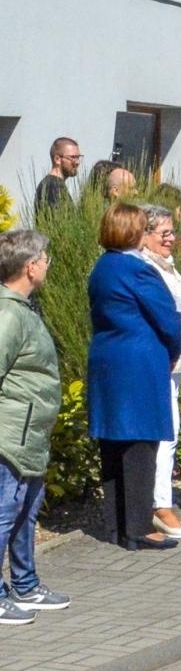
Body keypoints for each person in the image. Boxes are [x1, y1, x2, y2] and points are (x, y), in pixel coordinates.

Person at [87, 204, 181, 547]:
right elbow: (169, 319)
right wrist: (173, 352)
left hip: (107, 360)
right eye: (144, 229)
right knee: (141, 445)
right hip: (139, 362)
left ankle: (116, 526)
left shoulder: (102, 267)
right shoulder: (138, 269)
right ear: (134, 233)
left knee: (113, 445)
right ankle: (140, 527)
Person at [0, 230, 70, 623]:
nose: (47, 265)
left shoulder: (22, 308)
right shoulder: (8, 313)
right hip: (10, 434)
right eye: (45, 259)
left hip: (29, 434)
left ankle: (25, 585)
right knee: (4, 513)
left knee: (25, 513)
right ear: (30, 266)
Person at [138, 204, 181, 540]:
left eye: (172, 232)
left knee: (171, 431)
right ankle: (158, 504)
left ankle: (160, 500)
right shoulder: (146, 268)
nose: (170, 239)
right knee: (163, 434)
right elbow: (161, 316)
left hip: (176, 361)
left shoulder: (169, 266)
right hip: (157, 362)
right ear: (144, 235)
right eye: (163, 233)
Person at [34, 137, 81, 210]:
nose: (77, 162)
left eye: (78, 157)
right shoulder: (52, 186)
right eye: (73, 157)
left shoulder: (55, 184)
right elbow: (58, 219)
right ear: (57, 159)